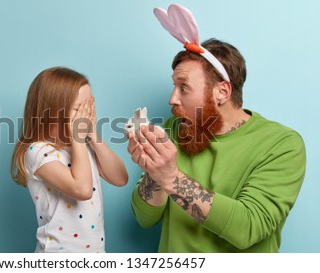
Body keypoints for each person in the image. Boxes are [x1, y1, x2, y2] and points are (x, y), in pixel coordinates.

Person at [127, 36, 306, 252]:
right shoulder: (175, 128)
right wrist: (154, 173)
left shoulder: (282, 144)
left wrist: (171, 178)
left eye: (183, 88)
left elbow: (248, 228)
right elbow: (144, 218)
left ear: (222, 92)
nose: (172, 99)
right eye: (174, 86)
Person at [11, 66, 128, 253]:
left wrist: (93, 136)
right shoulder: (38, 151)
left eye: (88, 108)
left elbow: (120, 178)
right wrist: (78, 140)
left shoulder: (81, 146)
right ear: (52, 111)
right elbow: (81, 189)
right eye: (78, 110)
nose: (86, 115)